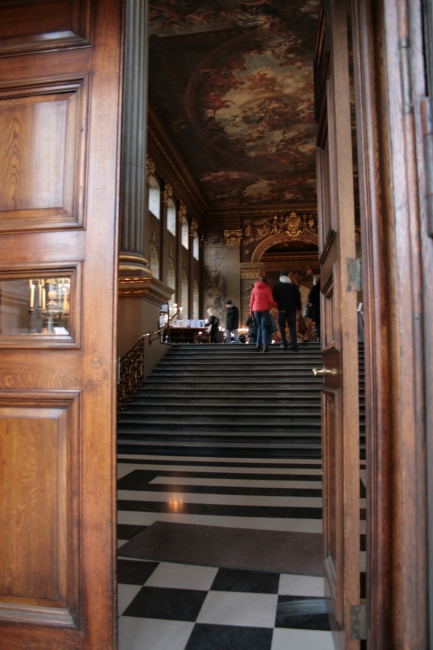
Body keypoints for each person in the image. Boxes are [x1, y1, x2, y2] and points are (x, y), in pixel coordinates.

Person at [272, 270, 302, 351]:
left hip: (281, 309)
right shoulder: (293, 286)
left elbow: (274, 297)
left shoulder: (277, 286)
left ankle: (284, 343)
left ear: (280, 276)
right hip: (292, 309)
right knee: (292, 325)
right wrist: (299, 308)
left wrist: (278, 304)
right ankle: (294, 344)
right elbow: (298, 298)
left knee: (282, 326)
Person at [250, 276, 278, 352]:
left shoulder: (254, 289)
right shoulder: (267, 289)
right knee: (264, 328)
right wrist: (277, 305)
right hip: (264, 310)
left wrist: (251, 314)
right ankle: (265, 345)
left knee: (259, 326)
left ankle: (258, 344)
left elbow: (251, 302)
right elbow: (271, 300)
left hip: (256, 310)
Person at [308, 275, 321, 342]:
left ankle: (319, 338)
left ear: (315, 281)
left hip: (316, 310)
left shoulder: (314, 288)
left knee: (318, 324)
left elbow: (310, 298)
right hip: (324, 309)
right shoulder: (324, 287)